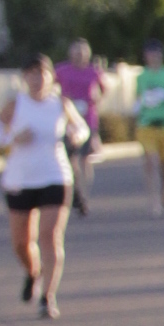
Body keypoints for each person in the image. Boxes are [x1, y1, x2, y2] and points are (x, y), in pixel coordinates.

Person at [0, 56, 84, 318]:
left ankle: (48, 297)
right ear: (24, 77)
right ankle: (33, 272)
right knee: (21, 243)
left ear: (51, 76)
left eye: (42, 73)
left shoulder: (60, 104)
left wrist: (76, 135)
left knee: (50, 236)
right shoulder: (15, 105)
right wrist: (12, 137)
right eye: (32, 73)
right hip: (20, 179)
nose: (37, 78)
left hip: (55, 175)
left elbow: (81, 128)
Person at [131, 39, 164, 211]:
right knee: (150, 161)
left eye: (157, 53)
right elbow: (138, 99)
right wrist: (138, 106)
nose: (154, 57)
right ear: (145, 56)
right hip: (146, 125)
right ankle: (153, 201)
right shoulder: (141, 77)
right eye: (150, 53)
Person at [56, 38, 105, 216]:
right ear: (70, 53)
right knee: (69, 160)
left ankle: (84, 196)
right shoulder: (61, 70)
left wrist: (96, 99)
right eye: (76, 51)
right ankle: (72, 195)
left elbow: (103, 89)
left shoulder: (94, 71)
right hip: (67, 122)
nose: (79, 55)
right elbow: (51, 87)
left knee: (85, 160)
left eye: (83, 52)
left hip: (88, 120)